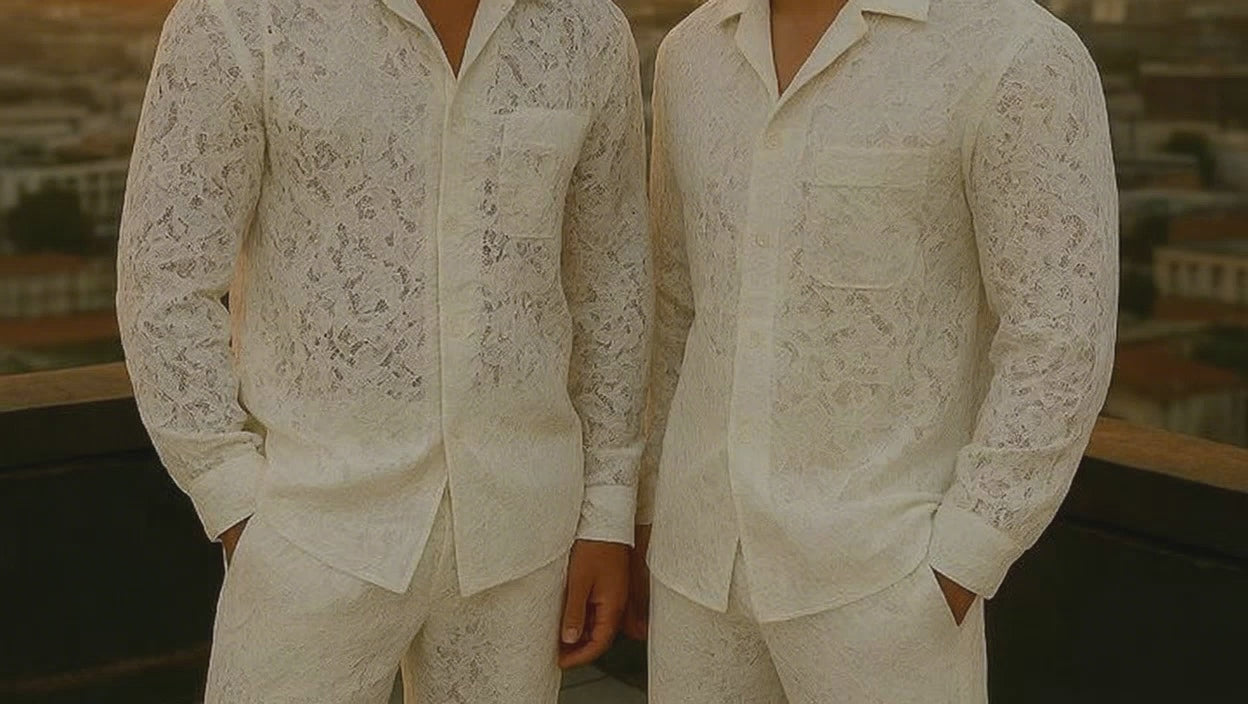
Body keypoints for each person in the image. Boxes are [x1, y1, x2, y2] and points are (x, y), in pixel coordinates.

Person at [116, 0, 650, 701]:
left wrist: (606, 511)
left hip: (524, 530)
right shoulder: (242, 17)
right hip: (310, 529)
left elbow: (611, 283)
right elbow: (164, 278)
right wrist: (234, 498)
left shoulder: (586, 28)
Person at [627, 0, 1118, 701]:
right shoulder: (690, 53)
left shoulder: (1016, 50)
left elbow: (1061, 336)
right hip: (697, 568)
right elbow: (678, 301)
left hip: (882, 585)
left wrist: (961, 559)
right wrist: (653, 506)